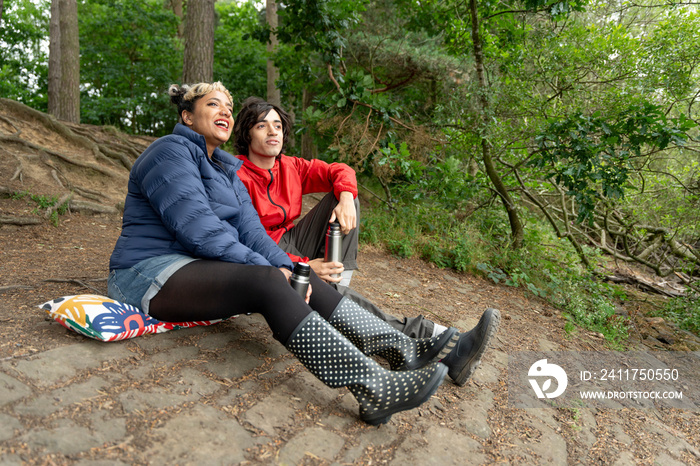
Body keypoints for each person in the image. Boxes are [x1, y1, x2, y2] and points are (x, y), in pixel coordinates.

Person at [107, 82, 474, 425]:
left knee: (299, 271)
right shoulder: (169, 151)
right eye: (213, 103)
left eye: (229, 106)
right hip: (148, 273)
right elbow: (201, 231)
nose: (225, 111)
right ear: (187, 116)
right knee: (269, 279)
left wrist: (290, 266)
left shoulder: (226, 171)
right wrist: (273, 271)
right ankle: (373, 386)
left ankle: (402, 349)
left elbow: (252, 234)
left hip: (197, 267)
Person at [233, 97, 501, 385]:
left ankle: (335, 290)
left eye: (278, 125)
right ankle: (441, 342)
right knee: (327, 283)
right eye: (262, 125)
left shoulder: (291, 166)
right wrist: (302, 265)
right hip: (264, 253)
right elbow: (244, 240)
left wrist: (346, 198)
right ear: (248, 133)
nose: (273, 132)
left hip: (291, 238)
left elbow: (342, 170)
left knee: (345, 193)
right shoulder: (235, 174)